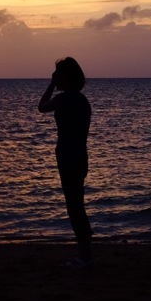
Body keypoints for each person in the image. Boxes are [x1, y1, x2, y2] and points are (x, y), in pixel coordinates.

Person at [38, 57, 93, 268]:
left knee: (74, 206)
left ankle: (85, 256)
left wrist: (51, 84)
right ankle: (85, 251)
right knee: (77, 204)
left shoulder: (64, 99)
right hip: (79, 155)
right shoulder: (81, 100)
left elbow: (42, 106)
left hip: (69, 157)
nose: (54, 77)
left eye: (57, 74)